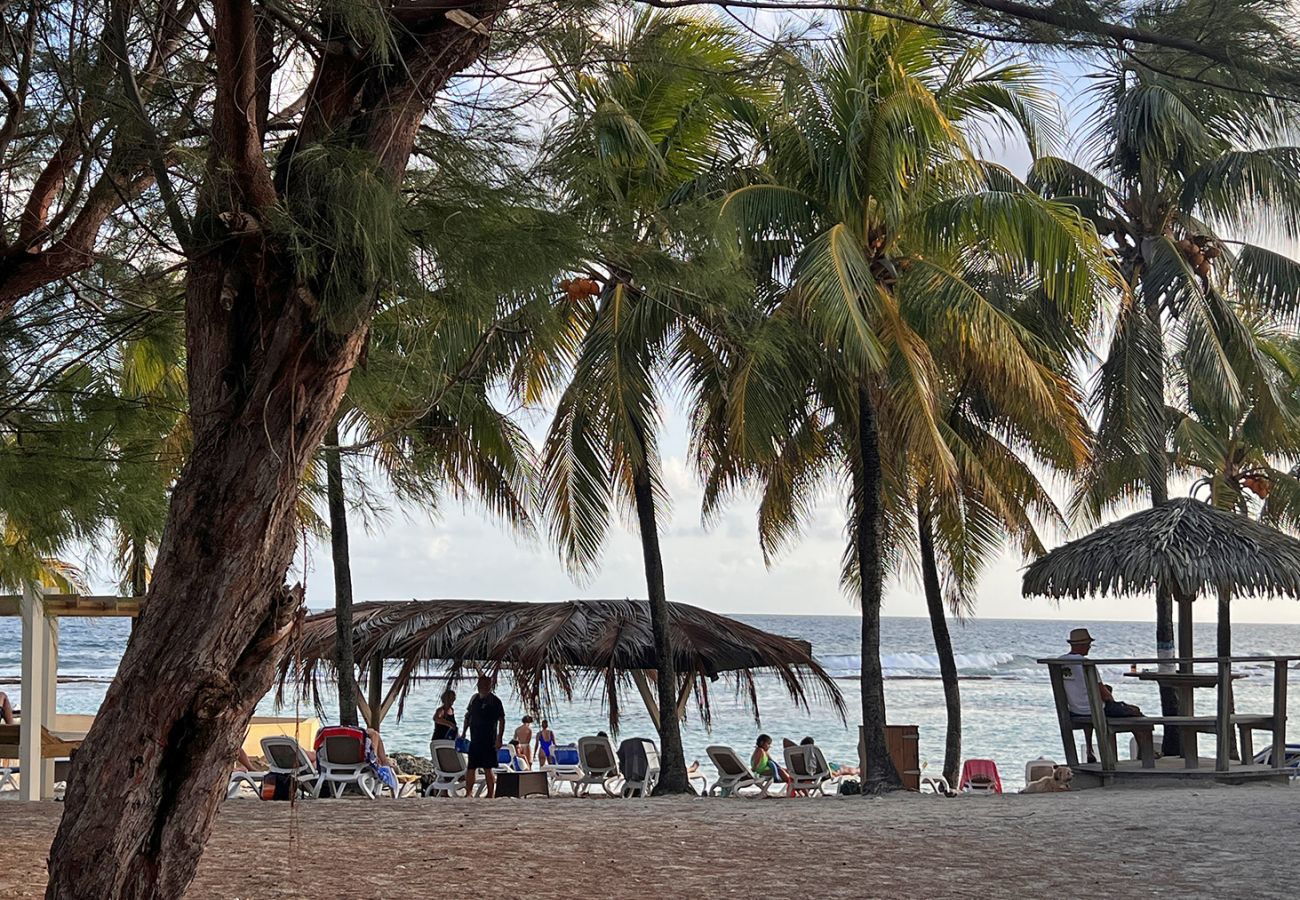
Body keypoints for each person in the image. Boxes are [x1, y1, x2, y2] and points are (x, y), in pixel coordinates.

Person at [1060, 627, 1147, 762]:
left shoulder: (1060, 662)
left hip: (1075, 710)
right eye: (1088, 644)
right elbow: (1103, 694)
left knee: (1094, 710)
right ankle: (1145, 753)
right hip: (1096, 710)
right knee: (1136, 712)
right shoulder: (1086, 664)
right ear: (1082, 645)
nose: (1089, 647)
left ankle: (1090, 750)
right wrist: (1114, 703)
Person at [464, 674, 506, 797]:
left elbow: (501, 720)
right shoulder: (474, 699)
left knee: (488, 767)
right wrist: (463, 732)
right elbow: (468, 716)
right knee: (471, 767)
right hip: (475, 739)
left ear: (490, 686)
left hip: (489, 739)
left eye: (485, 685)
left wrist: (499, 738)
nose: (482, 687)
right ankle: (468, 793)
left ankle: (490, 793)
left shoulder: (495, 701)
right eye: (480, 685)